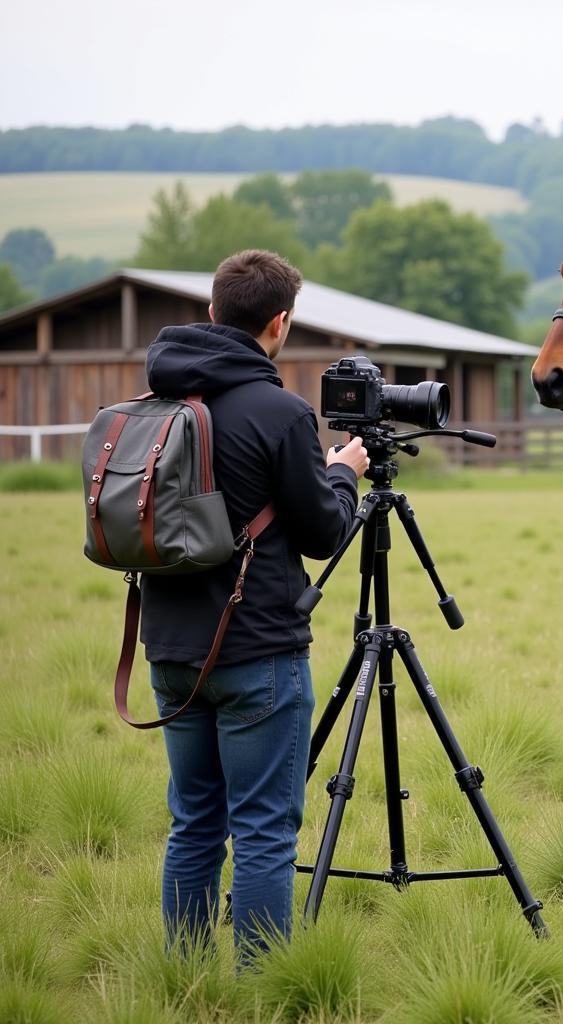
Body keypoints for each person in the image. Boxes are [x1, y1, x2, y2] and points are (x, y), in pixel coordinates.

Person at [140, 249, 369, 960]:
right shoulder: (280, 411)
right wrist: (343, 474)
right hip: (257, 654)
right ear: (281, 323)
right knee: (265, 830)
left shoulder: (159, 403)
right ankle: (262, 983)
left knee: (195, 822)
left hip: (172, 652)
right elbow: (325, 531)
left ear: (212, 314)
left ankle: (183, 972)